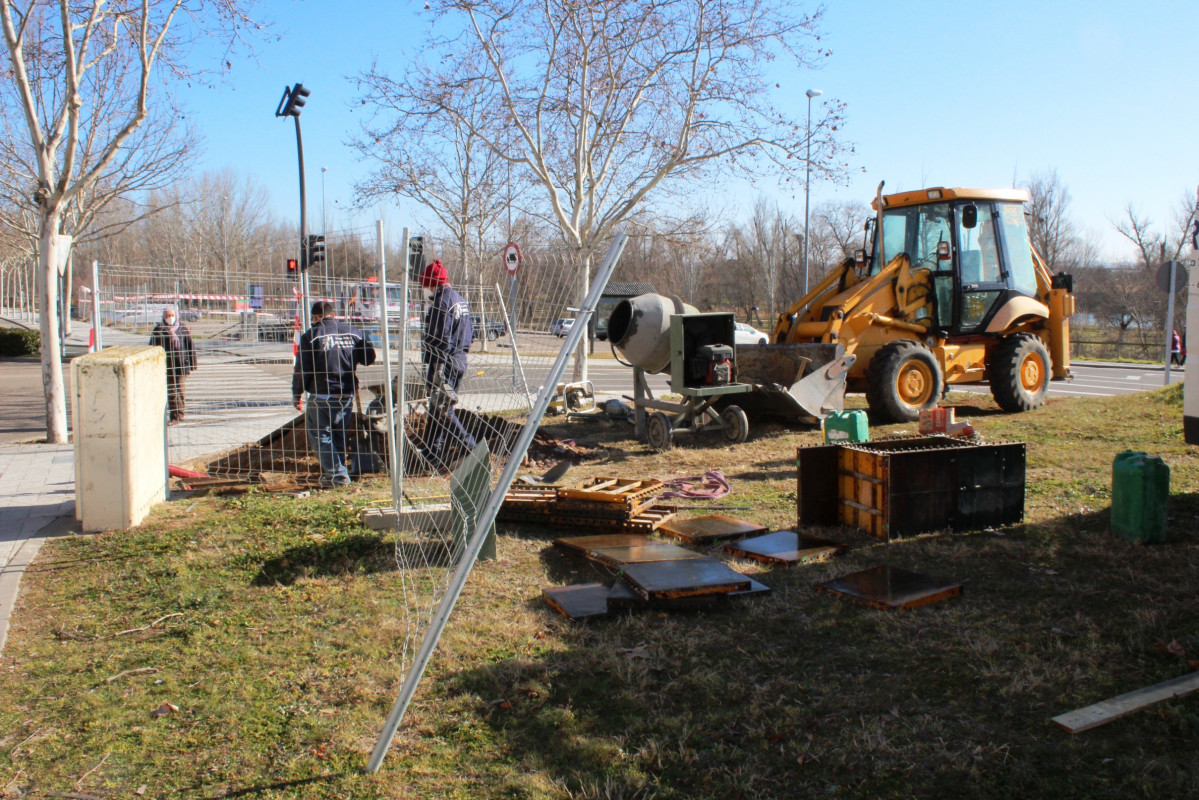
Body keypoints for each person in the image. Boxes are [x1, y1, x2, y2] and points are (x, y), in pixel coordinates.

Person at [292, 301, 377, 488]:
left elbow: (302, 370)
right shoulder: (353, 332)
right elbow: (369, 358)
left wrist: (296, 393)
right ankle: (334, 476)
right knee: (338, 435)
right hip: (346, 394)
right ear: (333, 314)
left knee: (320, 436)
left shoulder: (311, 336)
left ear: (315, 318)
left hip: (322, 394)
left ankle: (339, 476)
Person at [420, 259, 477, 471]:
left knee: (443, 408)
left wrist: (436, 370)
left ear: (432, 283)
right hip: (459, 358)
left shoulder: (441, 304)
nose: (425, 290)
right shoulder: (460, 300)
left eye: (425, 285)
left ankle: (469, 446)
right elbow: (470, 334)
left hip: (445, 361)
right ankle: (431, 452)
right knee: (437, 408)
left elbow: (439, 340)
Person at [149, 306, 197, 423]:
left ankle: (181, 414)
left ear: (176, 316)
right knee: (171, 391)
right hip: (167, 366)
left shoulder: (182, 328)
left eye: (171, 315)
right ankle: (173, 416)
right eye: (167, 316)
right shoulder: (159, 330)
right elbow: (152, 348)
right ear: (163, 317)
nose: (170, 318)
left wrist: (192, 365)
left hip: (181, 365)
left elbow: (190, 346)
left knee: (180, 390)